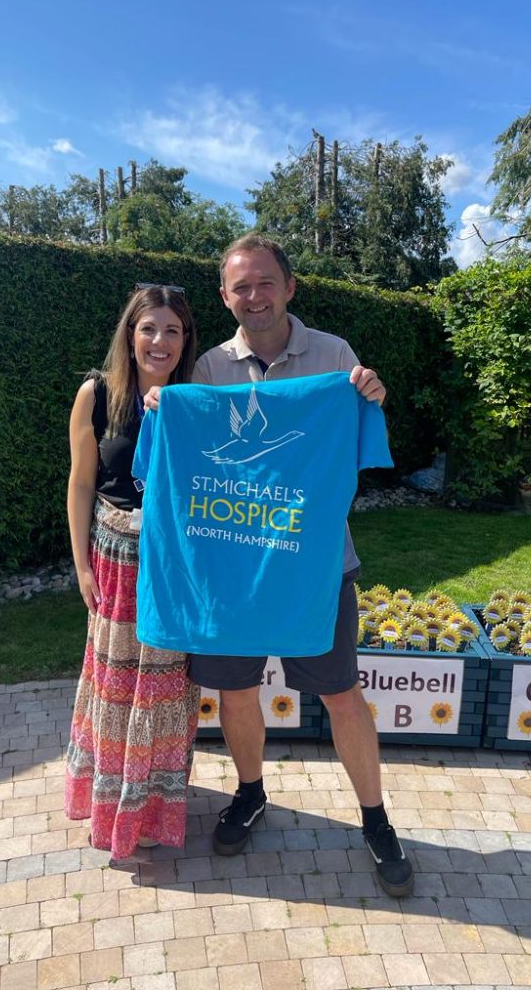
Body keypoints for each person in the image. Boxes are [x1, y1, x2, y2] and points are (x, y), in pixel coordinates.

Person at [145, 234, 414, 897]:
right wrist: (163, 409)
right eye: (241, 286)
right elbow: (190, 460)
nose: (254, 296)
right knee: (236, 691)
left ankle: (376, 819)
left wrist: (370, 395)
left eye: (265, 282)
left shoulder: (334, 358)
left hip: (316, 567)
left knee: (340, 693)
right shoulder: (208, 368)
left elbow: (357, 438)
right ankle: (250, 792)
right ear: (225, 297)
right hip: (232, 570)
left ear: (289, 287)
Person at [64, 284, 200, 859]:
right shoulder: (97, 393)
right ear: (130, 332)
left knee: (167, 691)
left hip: (175, 566)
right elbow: (80, 483)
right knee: (117, 688)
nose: (160, 341)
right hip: (115, 561)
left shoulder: (200, 398)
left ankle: (152, 805)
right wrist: (81, 567)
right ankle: (110, 800)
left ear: (186, 339)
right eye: (149, 328)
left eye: (172, 330)